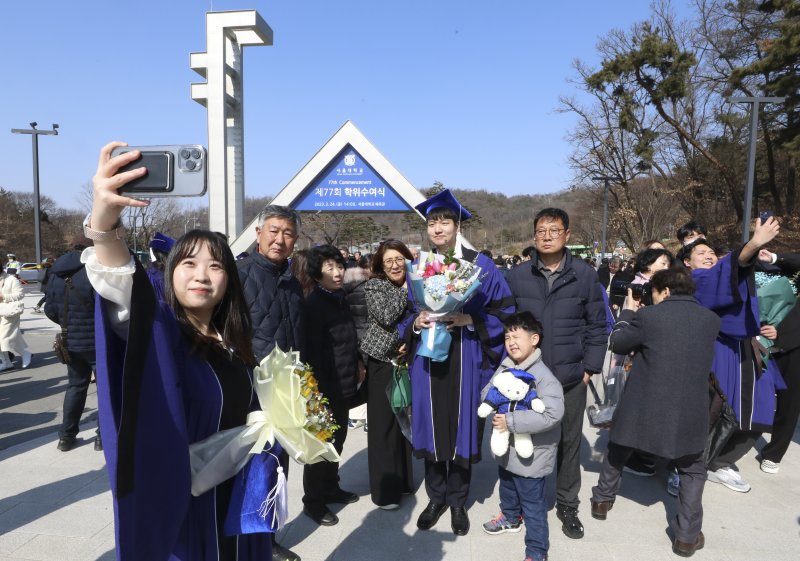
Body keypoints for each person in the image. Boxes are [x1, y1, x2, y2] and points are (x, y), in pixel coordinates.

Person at [85, 142, 280, 560]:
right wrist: (104, 223)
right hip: (184, 510)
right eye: (188, 263)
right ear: (170, 273)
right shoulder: (162, 335)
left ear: (229, 279)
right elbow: (123, 288)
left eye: (215, 265)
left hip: (240, 503)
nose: (202, 275)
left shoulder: (237, 346)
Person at [400, 189, 514, 536]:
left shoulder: (481, 265)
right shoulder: (419, 266)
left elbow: (505, 311)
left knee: (463, 427)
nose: (437, 228)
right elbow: (406, 312)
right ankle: (436, 497)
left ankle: (459, 500)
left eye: (444, 221)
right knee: (432, 425)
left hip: (467, 355)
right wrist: (415, 324)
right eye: (432, 222)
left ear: (456, 224)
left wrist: (471, 321)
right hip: (428, 361)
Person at [590, 268, 721, 558]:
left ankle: (601, 500)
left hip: (643, 404)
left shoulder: (649, 316)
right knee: (693, 469)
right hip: (690, 409)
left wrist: (627, 313)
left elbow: (619, 343)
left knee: (619, 449)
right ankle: (686, 536)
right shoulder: (711, 320)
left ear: (663, 291)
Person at [506, 207, 607, 540]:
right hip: (526, 379)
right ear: (534, 235)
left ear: (567, 234)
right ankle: (523, 503)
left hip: (569, 377)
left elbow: (597, 324)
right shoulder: (518, 275)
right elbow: (505, 323)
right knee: (524, 441)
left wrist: (590, 368)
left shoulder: (584, 274)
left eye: (554, 229)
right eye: (541, 230)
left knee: (568, 443)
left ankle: (567, 505)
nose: (547, 235)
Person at [678, 217, 783, 493]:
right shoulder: (694, 280)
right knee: (710, 413)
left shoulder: (720, 271)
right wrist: (753, 245)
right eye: (700, 253)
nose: (708, 256)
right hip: (716, 351)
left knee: (757, 411)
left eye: (712, 252)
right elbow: (726, 273)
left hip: (747, 350)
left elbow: (737, 290)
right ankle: (685, 468)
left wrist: (764, 326)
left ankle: (721, 461)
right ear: (687, 262)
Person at [236, 204, 305, 561]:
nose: (280, 239)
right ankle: (258, 539)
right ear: (259, 233)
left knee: (279, 465)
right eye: (274, 231)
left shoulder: (292, 279)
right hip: (253, 389)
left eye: (288, 233)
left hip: (287, 388)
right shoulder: (241, 274)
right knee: (258, 464)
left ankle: (268, 533)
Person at [480, 311, 564, 561]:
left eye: (516, 337)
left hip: (533, 454)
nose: (511, 343)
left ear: (534, 339)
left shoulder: (543, 377)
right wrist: (490, 401)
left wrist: (511, 421)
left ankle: (537, 550)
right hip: (507, 449)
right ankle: (509, 516)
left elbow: (552, 414)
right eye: (507, 337)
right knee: (506, 484)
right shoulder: (506, 366)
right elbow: (488, 390)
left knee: (533, 504)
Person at [302, 245, 364, 527]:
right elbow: (313, 352)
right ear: (317, 273)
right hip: (324, 388)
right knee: (319, 445)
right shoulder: (313, 304)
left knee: (337, 440)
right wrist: (318, 392)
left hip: (343, 382)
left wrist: (357, 363)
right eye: (330, 268)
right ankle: (313, 502)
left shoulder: (339, 298)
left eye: (339, 266)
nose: (338, 272)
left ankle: (331, 487)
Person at [360, 239, 415, 510]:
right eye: (388, 261)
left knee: (402, 420)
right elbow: (385, 316)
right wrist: (407, 289)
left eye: (399, 259)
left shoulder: (417, 284)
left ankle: (403, 483)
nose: (395, 265)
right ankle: (384, 493)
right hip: (381, 361)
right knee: (383, 426)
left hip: (404, 359)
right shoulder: (374, 286)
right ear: (381, 266)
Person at [45, 238, 98, 451]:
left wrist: (67, 324)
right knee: (104, 389)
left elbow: (50, 309)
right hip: (96, 341)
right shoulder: (93, 271)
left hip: (69, 340)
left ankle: (66, 437)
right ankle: (102, 437)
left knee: (75, 386)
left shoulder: (56, 273)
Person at [756, 249, 800, 474]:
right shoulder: (790, 267)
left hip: (794, 346)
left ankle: (774, 453)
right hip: (763, 336)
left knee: (789, 403)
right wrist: (773, 258)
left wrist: (781, 333)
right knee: (756, 390)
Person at [344, 254, 371, 430]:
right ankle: (368, 418)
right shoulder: (369, 288)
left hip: (354, 340)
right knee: (369, 381)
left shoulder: (345, 286)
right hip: (368, 339)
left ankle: (355, 417)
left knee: (359, 379)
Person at [0, 264, 32, 371]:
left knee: (4, 338)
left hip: (9, 312)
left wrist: (4, 296)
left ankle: (24, 353)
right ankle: (6, 362)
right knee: (11, 337)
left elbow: (20, 294)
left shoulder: (11, 279)